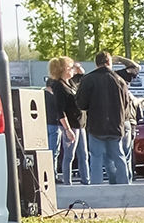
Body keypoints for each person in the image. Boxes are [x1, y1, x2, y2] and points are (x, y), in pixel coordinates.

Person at [75, 51, 132, 185]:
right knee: (119, 156)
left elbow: (81, 104)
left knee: (96, 157)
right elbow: (126, 104)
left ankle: (97, 186)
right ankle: (125, 185)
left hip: (96, 125)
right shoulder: (120, 80)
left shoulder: (88, 79)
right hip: (116, 124)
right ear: (109, 63)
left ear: (96, 63)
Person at [43, 57, 79, 183]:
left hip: (59, 123)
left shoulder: (66, 84)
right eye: (70, 67)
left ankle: (56, 176)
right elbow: (60, 110)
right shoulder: (59, 86)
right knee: (57, 152)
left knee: (58, 152)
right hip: (59, 123)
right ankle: (58, 178)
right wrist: (68, 129)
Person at [68, 63, 90, 184]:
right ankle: (68, 181)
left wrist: (78, 67)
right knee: (70, 155)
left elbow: (83, 75)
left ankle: (86, 179)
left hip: (82, 123)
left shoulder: (78, 83)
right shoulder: (68, 83)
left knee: (84, 154)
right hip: (72, 123)